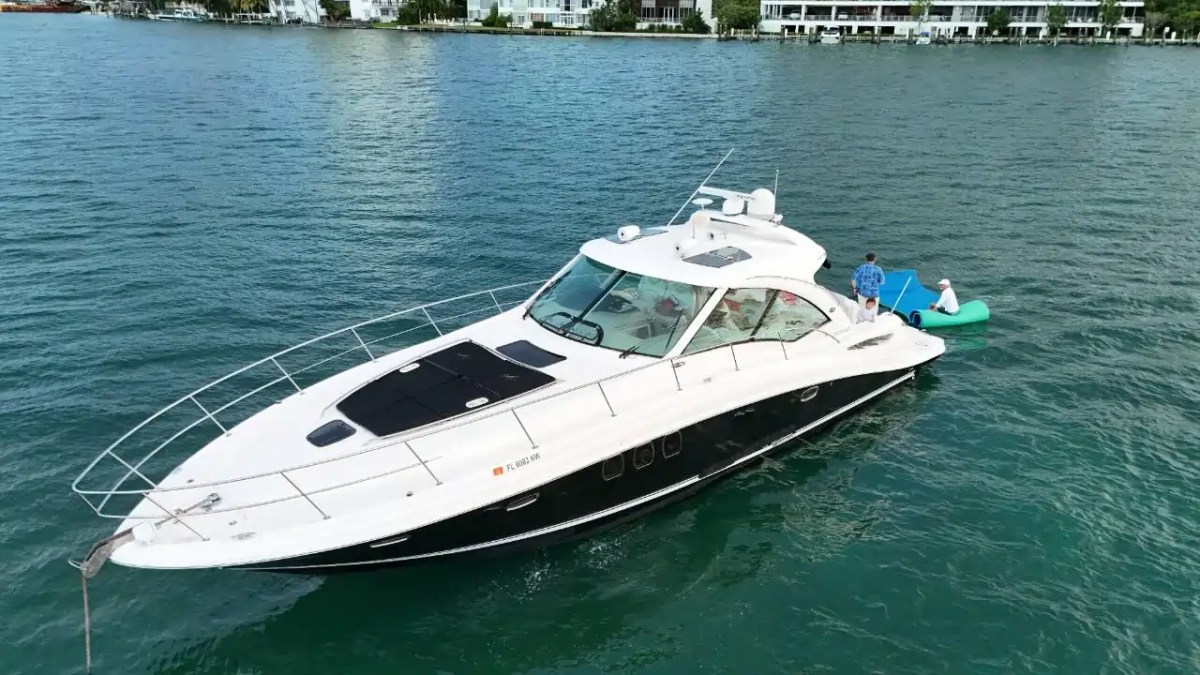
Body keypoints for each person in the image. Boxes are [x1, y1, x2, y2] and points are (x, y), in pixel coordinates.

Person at [850, 252, 885, 316]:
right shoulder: (878, 269)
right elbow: (882, 282)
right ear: (875, 259)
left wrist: (855, 288)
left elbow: (853, 279)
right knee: (873, 312)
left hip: (863, 293)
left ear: (866, 259)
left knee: (862, 310)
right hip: (874, 294)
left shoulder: (861, 268)